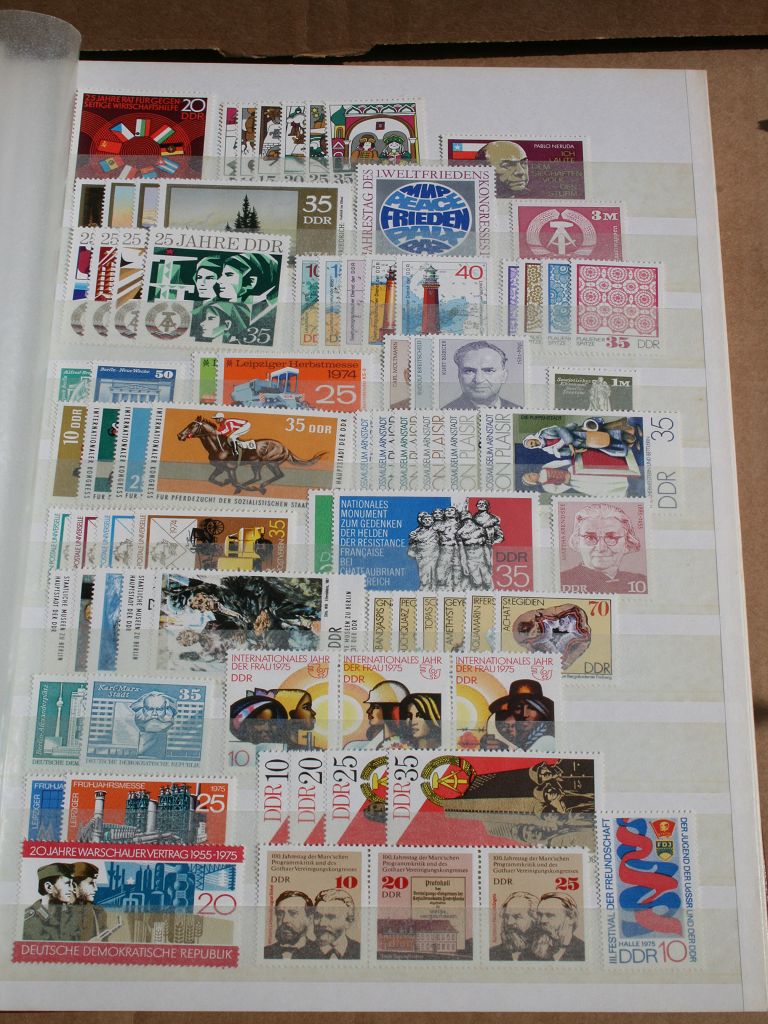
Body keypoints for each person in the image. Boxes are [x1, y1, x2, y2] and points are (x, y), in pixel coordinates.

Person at [560, 502, 646, 594]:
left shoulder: (642, 581)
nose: (601, 548)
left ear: (627, 543)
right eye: (590, 538)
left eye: (611, 537)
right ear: (577, 542)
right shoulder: (563, 580)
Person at [442, 341, 519, 410]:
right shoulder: (445, 412)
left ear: (504, 376)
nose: (479, 379)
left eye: (488, 370)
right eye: (469, 371)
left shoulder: (519, 410)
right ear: (459, 375)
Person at [488, 679, 555, 752]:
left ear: (541, 712)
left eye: (531, 708)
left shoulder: (547, 740)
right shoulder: (513, 738)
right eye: (518, 708)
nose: (524, 714)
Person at [345, 679, 409, 749]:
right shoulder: (353, 747)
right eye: (371, 706)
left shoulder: (409, 746)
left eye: (375, 707)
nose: (369, 711)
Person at [23, 863, 78, 941]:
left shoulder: (71, 914)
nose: (72, 889)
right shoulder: (28, 921)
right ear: (48, 887)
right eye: (68, 884)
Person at [264, 891, 320, 959]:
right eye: (280, 914)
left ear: (309, 919)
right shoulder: (265, 953)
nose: (284, 920)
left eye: (293, 913)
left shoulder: (318, 954)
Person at [530, 892, 585, 961]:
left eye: (550, 915)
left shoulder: (583, 950)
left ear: (571, 918)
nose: (542, 920)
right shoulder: (528, 953)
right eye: (540, 915)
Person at [489, 891, 538, 960]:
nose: (509, 922)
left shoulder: (544, 955)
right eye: (506, 917)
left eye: (517, 917)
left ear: (534, 920)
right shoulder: (491, 954)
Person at [313, 890, 360, 959]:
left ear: (348, 921)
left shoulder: (361, 952)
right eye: (317, 916)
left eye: (330, 917)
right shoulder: (300, 954)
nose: (322, 923)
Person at [129, 691, 178, 758]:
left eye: (160, 709)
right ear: (142, 709)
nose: (154, 714)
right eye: (149, 709)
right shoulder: (141, 718)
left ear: (166, 710)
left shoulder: (167, 718)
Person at [71, 861, 109, 941]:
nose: (96, 888)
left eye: (95, 883)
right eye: (91, 883)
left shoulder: (98, 911)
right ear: (74, 886)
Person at [407, 512, 440, 590]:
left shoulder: (436, 531)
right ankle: (424, 589)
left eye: (430, 519)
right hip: (422, 556)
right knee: (424, 575)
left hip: (435, 555)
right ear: (422, 521)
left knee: (434, 573)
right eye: (425, 519)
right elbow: (411, 547)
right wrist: (415, 554)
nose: (428, 521)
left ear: (433, 521)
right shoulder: (416, 533)